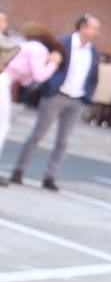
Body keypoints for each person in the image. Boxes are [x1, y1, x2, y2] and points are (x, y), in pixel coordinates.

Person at [8, 14, 102, 192]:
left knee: (63, 141)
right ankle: (19, 170)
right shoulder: (62, 43)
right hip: (56, 95)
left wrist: (87, 95)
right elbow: (46, 63)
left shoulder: (94, 52)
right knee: (37, 135)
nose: (97, 32)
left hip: (77, 99)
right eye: (94, 28)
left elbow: (93, 77)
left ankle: (50, 176)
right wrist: (49, 86)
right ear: (82, 27)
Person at [0, 24, 64, 186]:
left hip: (5, 80)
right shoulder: (39, 49)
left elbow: (25, 79)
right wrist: (53, 63)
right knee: (2, 127)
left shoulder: (28, 46)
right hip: (3, 82)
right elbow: (40, 76)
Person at [89, 53, 111, 127]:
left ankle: (95, 120)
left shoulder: (100, 66)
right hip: (110, 88)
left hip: (99, 88)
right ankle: (104, 122)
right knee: (107, 107)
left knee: (98, 105)